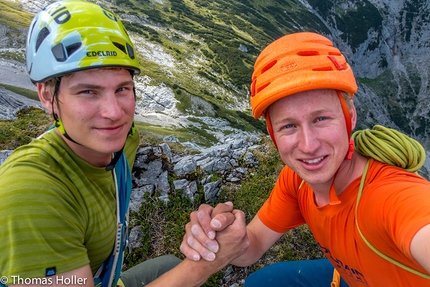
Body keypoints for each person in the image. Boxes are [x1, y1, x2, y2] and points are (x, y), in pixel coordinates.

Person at [0, 1, 248, 287]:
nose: (114, 113)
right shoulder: (31, 193)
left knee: (171, 265)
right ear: (46, 96)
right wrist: (210, 263)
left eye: (122, 89)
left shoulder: (122, 142)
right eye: (88, 91)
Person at [180, 31, 430, 286]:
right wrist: (226, 238)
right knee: (263, 282)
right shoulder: (296, 180)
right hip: (357, 275)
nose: (309, 146)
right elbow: (252, 245)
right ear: (273, 135)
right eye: (288, 126)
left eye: (321, 119)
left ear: (350, 117)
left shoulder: (388, 195)